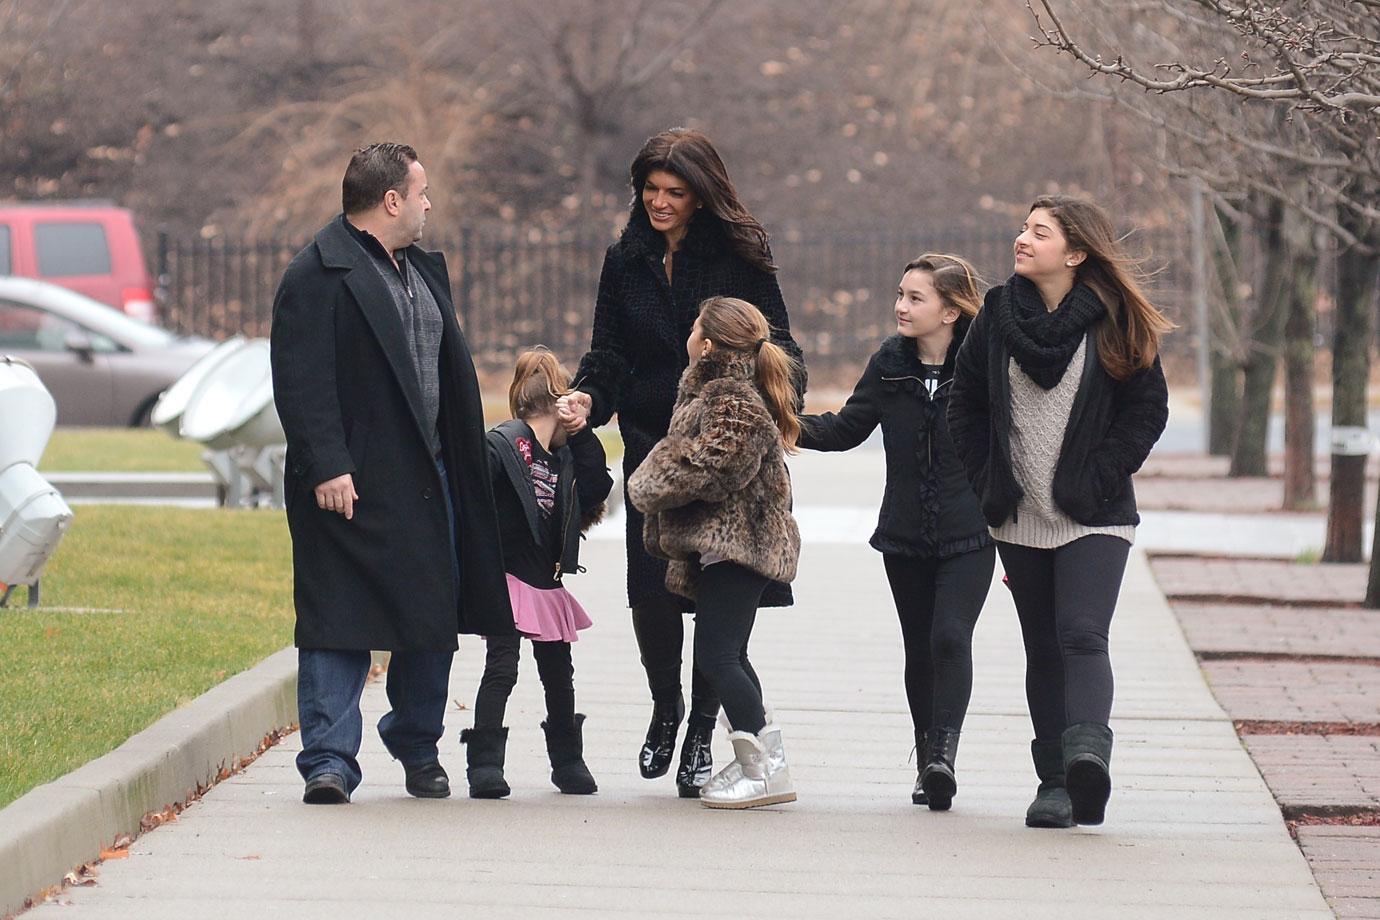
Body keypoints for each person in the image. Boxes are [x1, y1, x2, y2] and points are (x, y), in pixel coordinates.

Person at [559, 128, 805, 798]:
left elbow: (781, 351)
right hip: (654, 451)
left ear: (701, 196)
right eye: (651, 190)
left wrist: (748, 424)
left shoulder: (739, 258)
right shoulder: (626, 258)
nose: (661, 202)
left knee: (708, 603)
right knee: (652, 596)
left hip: (725, 460)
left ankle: (702, 730)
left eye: (675, 192)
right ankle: (666, 705)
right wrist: (586, 396)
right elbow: (607, 351)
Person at [269, 142, 512, 805]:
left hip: (428, 478)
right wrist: (326, 465)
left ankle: (415, 742)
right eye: (421, 191)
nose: (430, 203)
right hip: (348, 482)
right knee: (335, 621)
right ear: (392, 200)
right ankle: (328, 761)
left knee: (431, 620)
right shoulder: (316, 275)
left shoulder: (424, 271)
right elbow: (300, 378)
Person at [947, 195, 1172, 828]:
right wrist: (988, 476)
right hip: (1018, 513)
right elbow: (964, 405)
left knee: (1080, 632)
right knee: (1042, 647)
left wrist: (1099, 474)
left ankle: (1087, 762)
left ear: (1074, 252)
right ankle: (1054, 783)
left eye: (1038, 232)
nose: (1022, 239)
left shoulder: (1116, 319)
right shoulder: (995, 313)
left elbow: (1146, 412)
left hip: (1094, 512)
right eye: (1023, 228)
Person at [797, 253, 994, 811]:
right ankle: (925, 755)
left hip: (971, 533)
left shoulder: (983, 363)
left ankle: (943, 759)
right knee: (919, 646)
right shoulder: (890, 362)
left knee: (949, 637)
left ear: (952, 310)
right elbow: (846, 428)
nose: (900, 306)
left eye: (915, 298)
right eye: (900, 295)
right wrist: (784, 423)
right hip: (904, 535)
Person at [627, 296, 801, 809]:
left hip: (738, 545)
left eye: (693, 326)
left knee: (717, 656)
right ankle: (766, 761)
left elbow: (716, 465)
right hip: (727, 546)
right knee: (731, 655)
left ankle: (764, 772)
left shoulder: (730, 395)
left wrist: (649, 479)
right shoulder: (724, 392)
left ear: (706, 345)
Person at [460, 347, 614, 799]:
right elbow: (474, 492)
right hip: (507, 575)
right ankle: (485, 764)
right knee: (503, 666)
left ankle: (568, 762)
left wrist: (581, 433)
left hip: (545, 581)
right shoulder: (505, 445)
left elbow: (598, 486)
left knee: (557, 672)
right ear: (555, 399)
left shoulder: (564, 457)